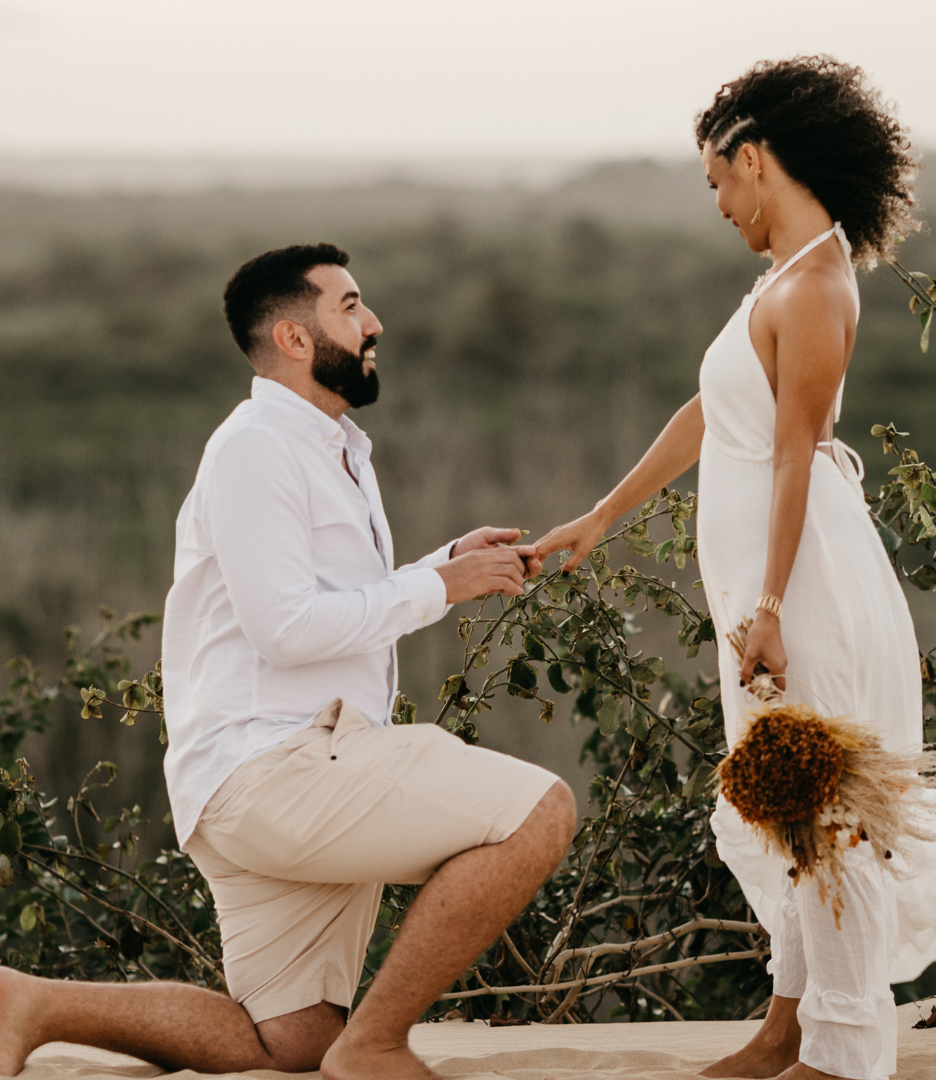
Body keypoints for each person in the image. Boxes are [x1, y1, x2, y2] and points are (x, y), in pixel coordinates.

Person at [534, 58, 936, 1080]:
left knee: (822, 811)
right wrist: (601, 517)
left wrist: (768, 605)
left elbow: (794, 452)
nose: (717, 205)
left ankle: (842, 1052)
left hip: (804, 588)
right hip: (774, 582)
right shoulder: (785, 279)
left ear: (755, 157)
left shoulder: (819, 285)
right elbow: (715, 417)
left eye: (717, 180)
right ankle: (786, 1028)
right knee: (785, 800)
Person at [0, 243, 576, 1080]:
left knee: (291, 1046)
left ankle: (32, 1003)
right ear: (294, 338)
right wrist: (439, 590)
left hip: (265, 776)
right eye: (349, 306)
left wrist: (436, 567)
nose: (373, 322)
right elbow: (285, 630)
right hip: (279, 767)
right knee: (540, 813)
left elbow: (322, 603)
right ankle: (378, 1046)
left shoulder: (326, 444)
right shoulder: (256, 449)